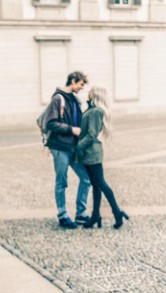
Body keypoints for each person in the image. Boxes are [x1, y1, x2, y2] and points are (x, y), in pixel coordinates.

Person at [76, 86, 129, 229]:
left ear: (95, 95)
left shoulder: (96, 112)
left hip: (92, 153)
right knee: (96, 185)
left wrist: (78, 147)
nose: (88, 92)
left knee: (101, 183)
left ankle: (117, 212)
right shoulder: (92, 110)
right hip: (89, 153)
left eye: (90, 91)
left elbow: (91, 135)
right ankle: (95, 216)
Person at [45, 71, 91, 229]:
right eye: (80, 84)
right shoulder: (58, 98)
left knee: (86, 178)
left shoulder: (76, 100)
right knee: (62, 181)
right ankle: (63, 215)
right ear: (73, 81)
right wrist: (72, 130)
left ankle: (81, 213)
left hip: (74, 147)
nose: (81, 88)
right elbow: (49, 123)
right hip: (60, 147)